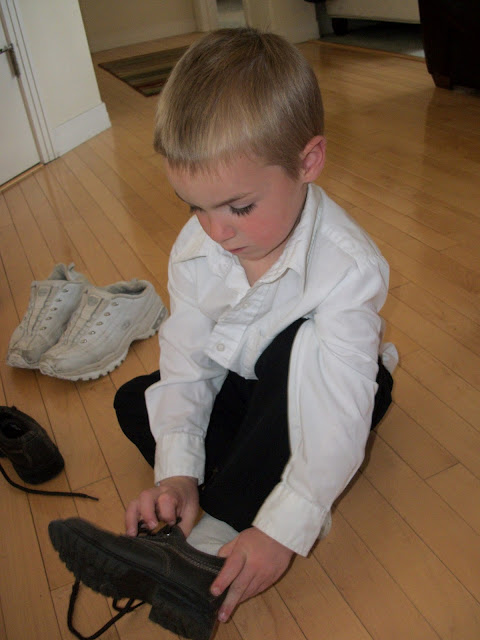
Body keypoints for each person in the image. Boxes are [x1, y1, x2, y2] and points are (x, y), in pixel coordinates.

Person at [114, 26, 397, 627]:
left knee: (291, 354)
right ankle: (221, 483)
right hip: (248, 385)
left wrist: (280, 533)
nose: (215, 231)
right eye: (194, 205)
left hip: (327, 391)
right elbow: (188, 357)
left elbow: (331, 413)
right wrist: (176, 473)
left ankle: (221, 524)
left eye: (239, 207)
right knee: (135, 400)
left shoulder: (347, 269)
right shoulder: (198, 245)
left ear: (308, 161)